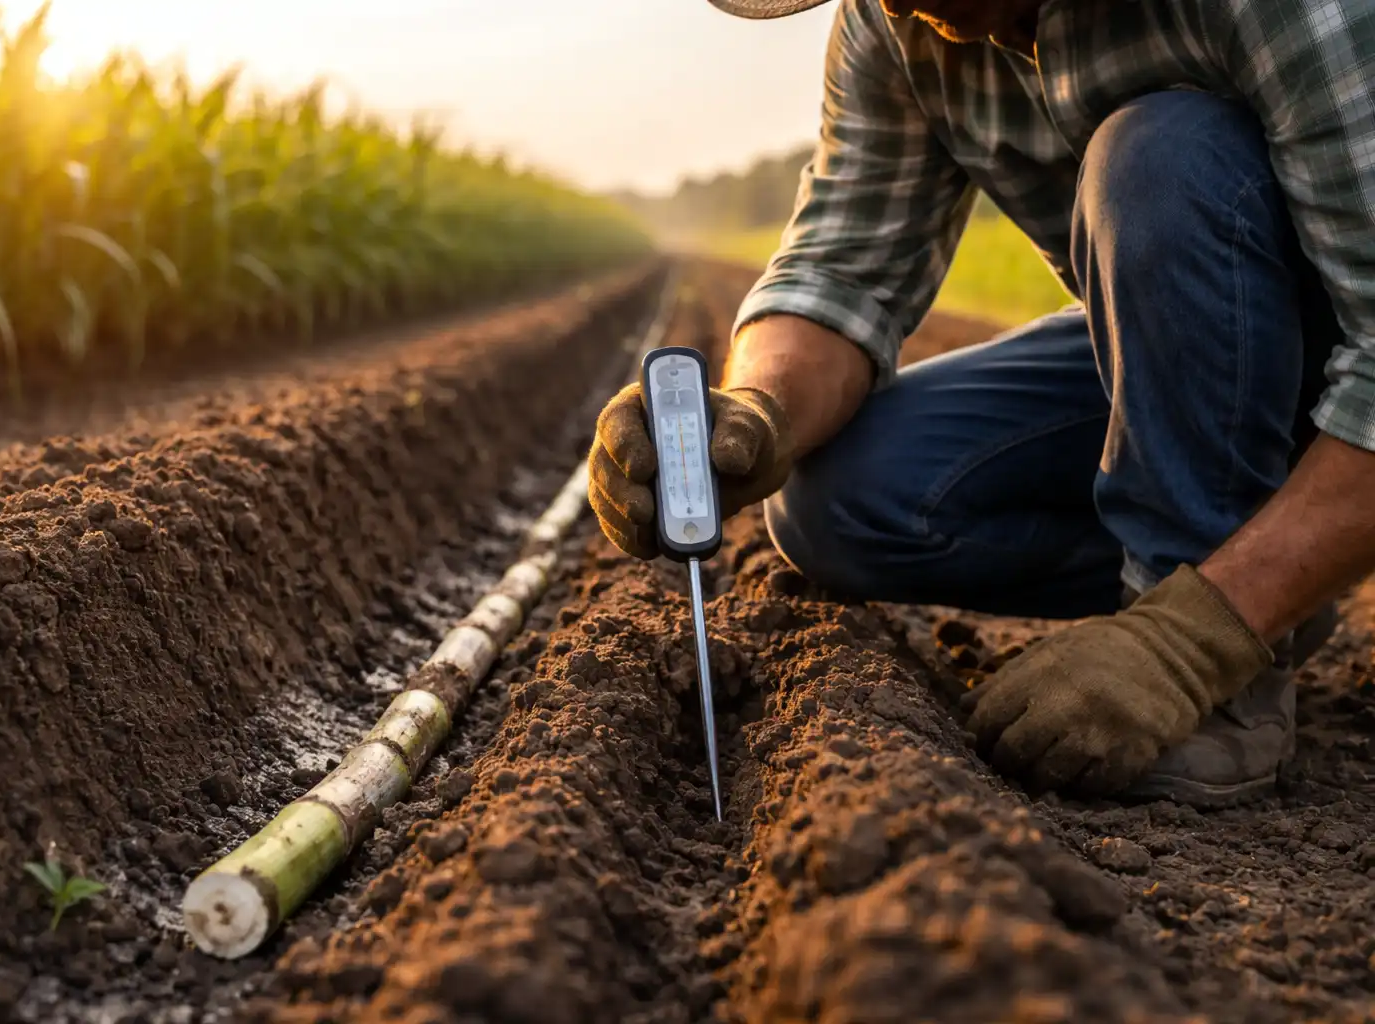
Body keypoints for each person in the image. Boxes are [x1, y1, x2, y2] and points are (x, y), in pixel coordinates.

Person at [587, 0, 1375, 808]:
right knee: (837, 500)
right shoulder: (893, 23)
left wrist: (1185, 644)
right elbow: (841, 269)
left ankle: (1224, 653)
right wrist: (758, 410)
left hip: (1350, 356)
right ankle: (1258, 564)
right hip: (1203, 352)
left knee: (1159, 156)